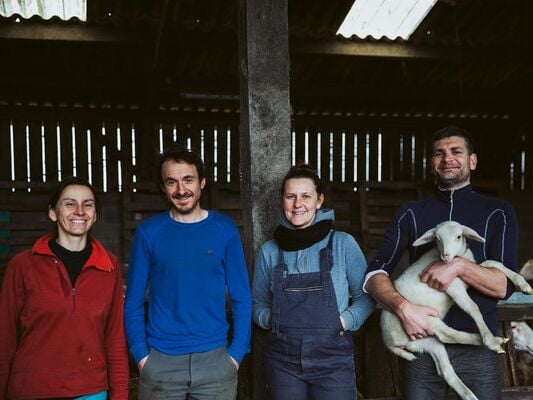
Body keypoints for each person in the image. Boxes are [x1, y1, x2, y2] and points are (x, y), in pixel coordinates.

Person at [364, 125, 519, 400]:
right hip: (422, 342)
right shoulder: (411, 213)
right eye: (439, 153)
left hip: (478, 350)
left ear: (472, 160)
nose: (447, 158)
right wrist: (404, 309)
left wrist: (457, 266)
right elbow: (375, 273)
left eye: (456, 151)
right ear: (432, 163)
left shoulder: (498, 212)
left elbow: (502, 287)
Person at [124, 148, 252, 399]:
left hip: (215, 361)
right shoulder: (149, 232)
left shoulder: (224, 230)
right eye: (172, 182)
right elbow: (134, 300)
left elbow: (242, 296)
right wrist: (141, 354)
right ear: (163, 187)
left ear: (202, 182)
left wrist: (236, 353)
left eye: (188, 180)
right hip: (161, 361)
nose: (181, 190)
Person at [252, 164, 375, 400]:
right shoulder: (269, 251)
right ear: (283, 201)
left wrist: (342, 321)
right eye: (291, 196)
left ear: (319, 201)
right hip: (283, 361)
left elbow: (366, 297)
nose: (298, 204)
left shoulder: (342, 244)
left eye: (306, 196)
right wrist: (273, 318)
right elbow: (257, 303)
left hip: (333, 360)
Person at [0, 177, 128, 400]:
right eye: (70, 203)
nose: (79, 211)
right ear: (53, 213)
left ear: (95, 215)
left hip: (91, 391)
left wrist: (119, 396)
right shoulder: (23, 265)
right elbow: (5, 338)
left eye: (88, 204)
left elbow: (115, 338)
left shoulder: (109, 266)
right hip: (33, 389)